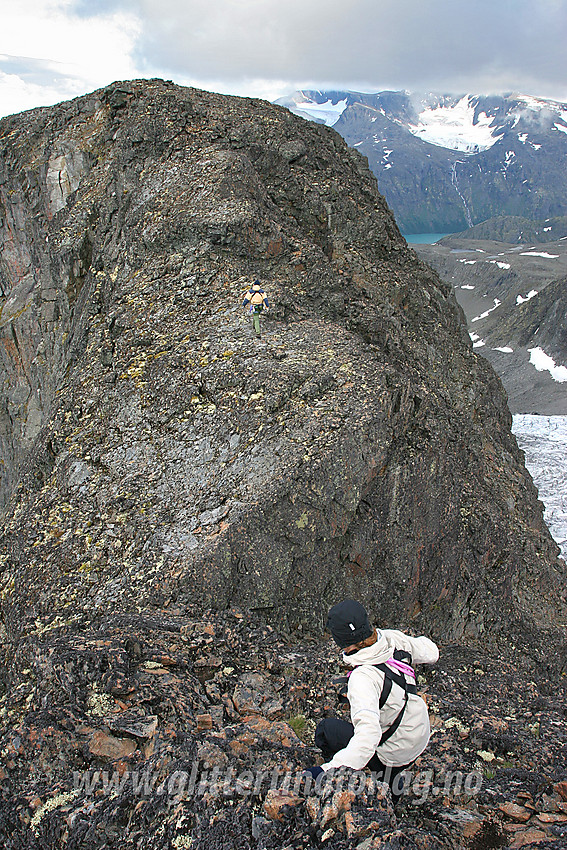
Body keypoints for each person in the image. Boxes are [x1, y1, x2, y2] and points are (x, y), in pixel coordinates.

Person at [305, 599, 439, 804]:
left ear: (341, 641)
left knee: (326, 730)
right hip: (420, 734)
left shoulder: (363, 678)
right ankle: (390, 773)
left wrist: (324, 772)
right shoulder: (392, 639)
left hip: (396, 751)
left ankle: (385, 780)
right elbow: (431, 652)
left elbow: (369, 736)